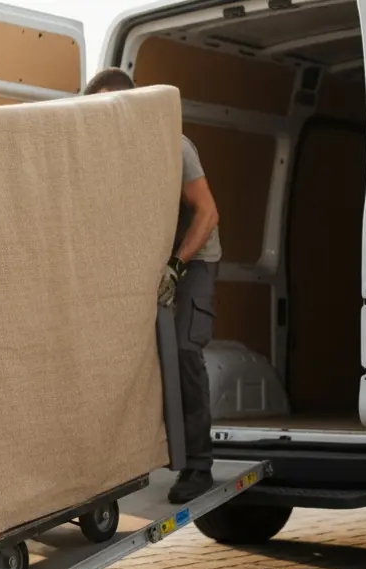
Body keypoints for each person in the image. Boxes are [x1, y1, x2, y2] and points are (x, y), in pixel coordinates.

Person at [84, 68, 222, 504]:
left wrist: (177, 267)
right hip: (145, 263)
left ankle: (197, 465)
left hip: (193, 259)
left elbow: (207, 214)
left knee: (183, 349)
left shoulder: (173, 147)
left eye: (111, 107)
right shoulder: (102, 155)